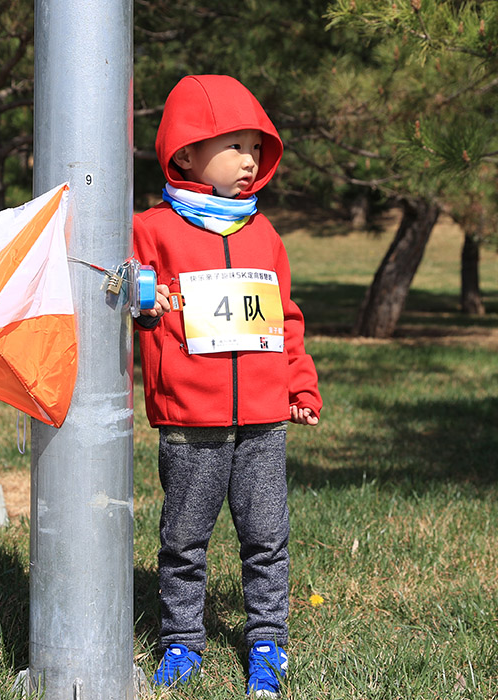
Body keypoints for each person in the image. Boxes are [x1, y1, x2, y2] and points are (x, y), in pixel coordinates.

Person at [134, 74, 322, 698]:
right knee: (184, 539)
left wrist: (298, 386)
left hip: (264, 420)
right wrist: (145, 305)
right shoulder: (151, 230)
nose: (250, 161)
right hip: (191, 421)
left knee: (267, 538)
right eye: (236, 146)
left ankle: (268, 641)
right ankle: (182, 641)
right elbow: (129, 301)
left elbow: (285, 317)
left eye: (257, 148)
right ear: (186, 153)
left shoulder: (264, 235)